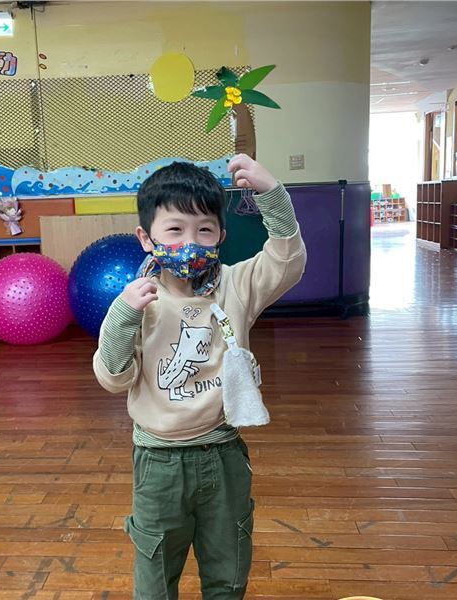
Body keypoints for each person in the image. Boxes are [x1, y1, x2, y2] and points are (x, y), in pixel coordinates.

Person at [93, 154, 307, 599]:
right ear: (146, 238)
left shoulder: (236, 285)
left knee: (228, 573)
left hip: (223, 454)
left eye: (204, 230)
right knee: (155, 579)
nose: (190, 242)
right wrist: (122, 317)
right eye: (174, 229)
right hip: (159, 464)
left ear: (221, 236)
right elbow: (114, 377)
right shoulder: (138, 302)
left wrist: (273, 195)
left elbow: (286, 261)